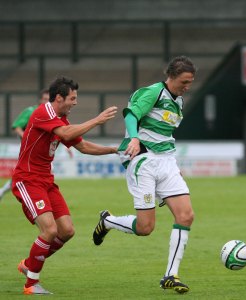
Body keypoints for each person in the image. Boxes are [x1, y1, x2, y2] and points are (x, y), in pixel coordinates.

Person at [92, 56, 196, 294]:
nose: (187, 86)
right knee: (145, 227)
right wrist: (134, 137)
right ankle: (108, 221)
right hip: (144, 161)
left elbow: (164, 134)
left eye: (190, 82)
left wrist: (172, 162)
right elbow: (131, 115)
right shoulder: (153, 93)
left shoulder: (178, 100)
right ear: (171, 77)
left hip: (167, 162)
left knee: (186, 216)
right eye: (184, 81)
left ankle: (171, 275)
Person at [12, 76, 118, 295]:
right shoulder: (44, 112)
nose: (75, 102)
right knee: (49, 230)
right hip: (28, 180)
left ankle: (29, 264)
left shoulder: (61, 120)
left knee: (67, 231)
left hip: (46, 181)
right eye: (72, 98)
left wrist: (114, 150)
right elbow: (66, 134)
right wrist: (97, 120)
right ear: (59, 98)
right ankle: (31, 284)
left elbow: (84, 147)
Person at [0, 89, 73, 201]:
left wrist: (67, 147)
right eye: (44, 99)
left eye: (48, 100)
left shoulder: (53, 115)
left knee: (34, 173)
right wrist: (26, 137)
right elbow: (17, 126)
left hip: (42, 150)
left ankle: (5, 191)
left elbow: (59, 133)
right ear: (40, 99)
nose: (46, 102)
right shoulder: (32, 111)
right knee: (28, 174)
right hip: (28, 149)